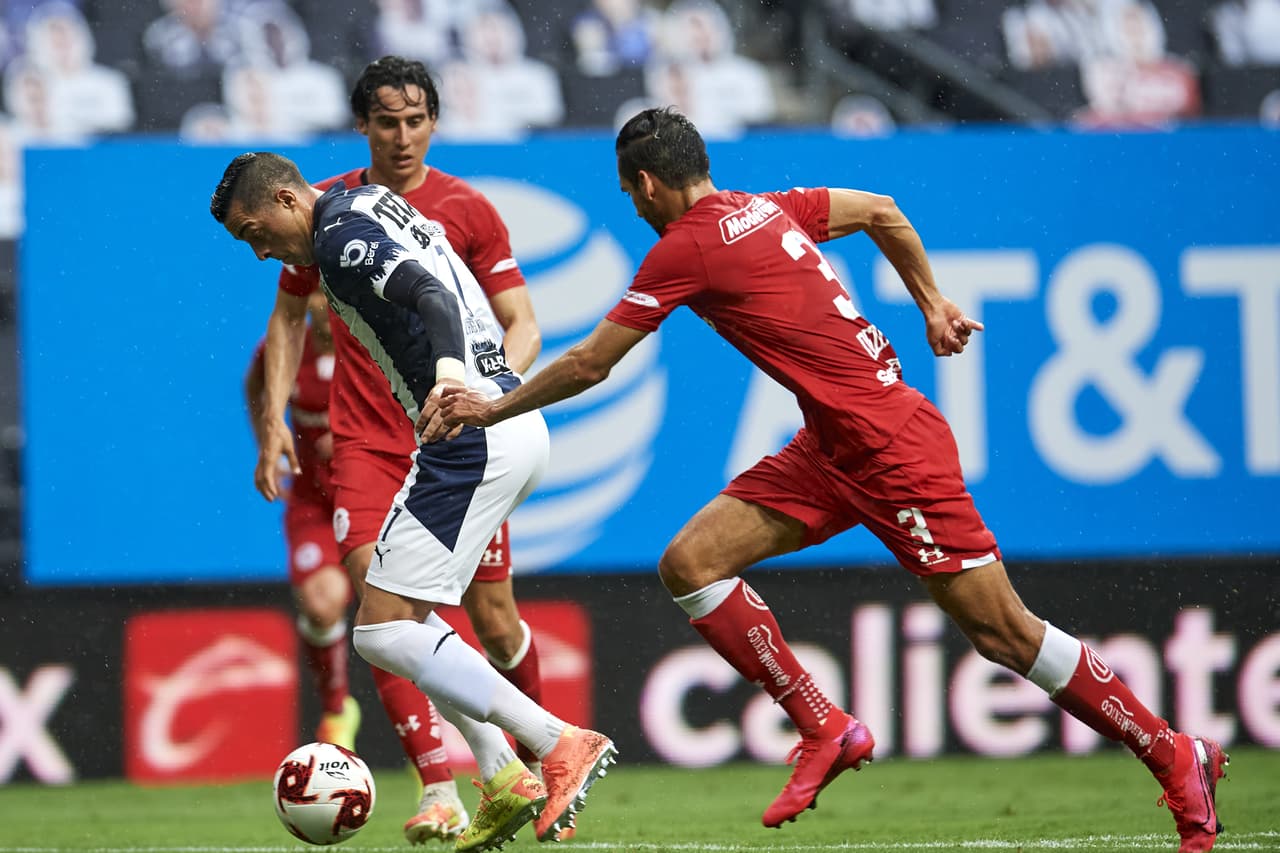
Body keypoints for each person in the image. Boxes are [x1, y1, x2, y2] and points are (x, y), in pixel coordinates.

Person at [427, 107, 1230, 852]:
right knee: (690, 564)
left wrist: (490, 408)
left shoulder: (688, 244)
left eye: (631, 195)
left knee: (1003, 634)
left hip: (892, 450)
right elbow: (883, 207)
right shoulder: (770, 207)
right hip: (833, 446)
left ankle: (1173, 752)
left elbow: (592, 361)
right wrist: (932, 302)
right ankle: (822, 723)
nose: (636, 210)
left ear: (645, 184)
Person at [211, 151, 617, 851]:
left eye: (254, 232)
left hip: (471, 436)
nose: (258, 252)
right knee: (411, 622)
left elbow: (430, 293)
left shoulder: (340, 236)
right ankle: (500, 774)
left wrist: (452, 379)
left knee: (379, 629)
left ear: (284, 198)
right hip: (501, 424)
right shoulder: (362, 206)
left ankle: (557, 743)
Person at [253, 56, 552, 843]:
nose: (403, 135)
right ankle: (442, 786)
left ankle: (533, 763)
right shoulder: (327, 209)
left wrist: (491, 392)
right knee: (378, 602)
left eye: (417, 119)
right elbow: (286, 321)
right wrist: (275, 417)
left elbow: (521, 319)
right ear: (364, 126)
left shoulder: (466, 209)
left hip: (461, 429)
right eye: (387, 121)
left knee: (490, 617)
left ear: (434, 123)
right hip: (368, 439)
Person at [245, 291, 361, 752]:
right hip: (313, 502)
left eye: (328, 292)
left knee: (393, 615)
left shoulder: (371, 343)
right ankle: (337, 710)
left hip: (371, 497)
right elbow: (254, 386)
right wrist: (267, 442)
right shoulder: (283, 346)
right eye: (313, 292)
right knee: (320, 604)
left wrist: (357, 440)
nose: (321, 303)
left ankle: (428, 763)